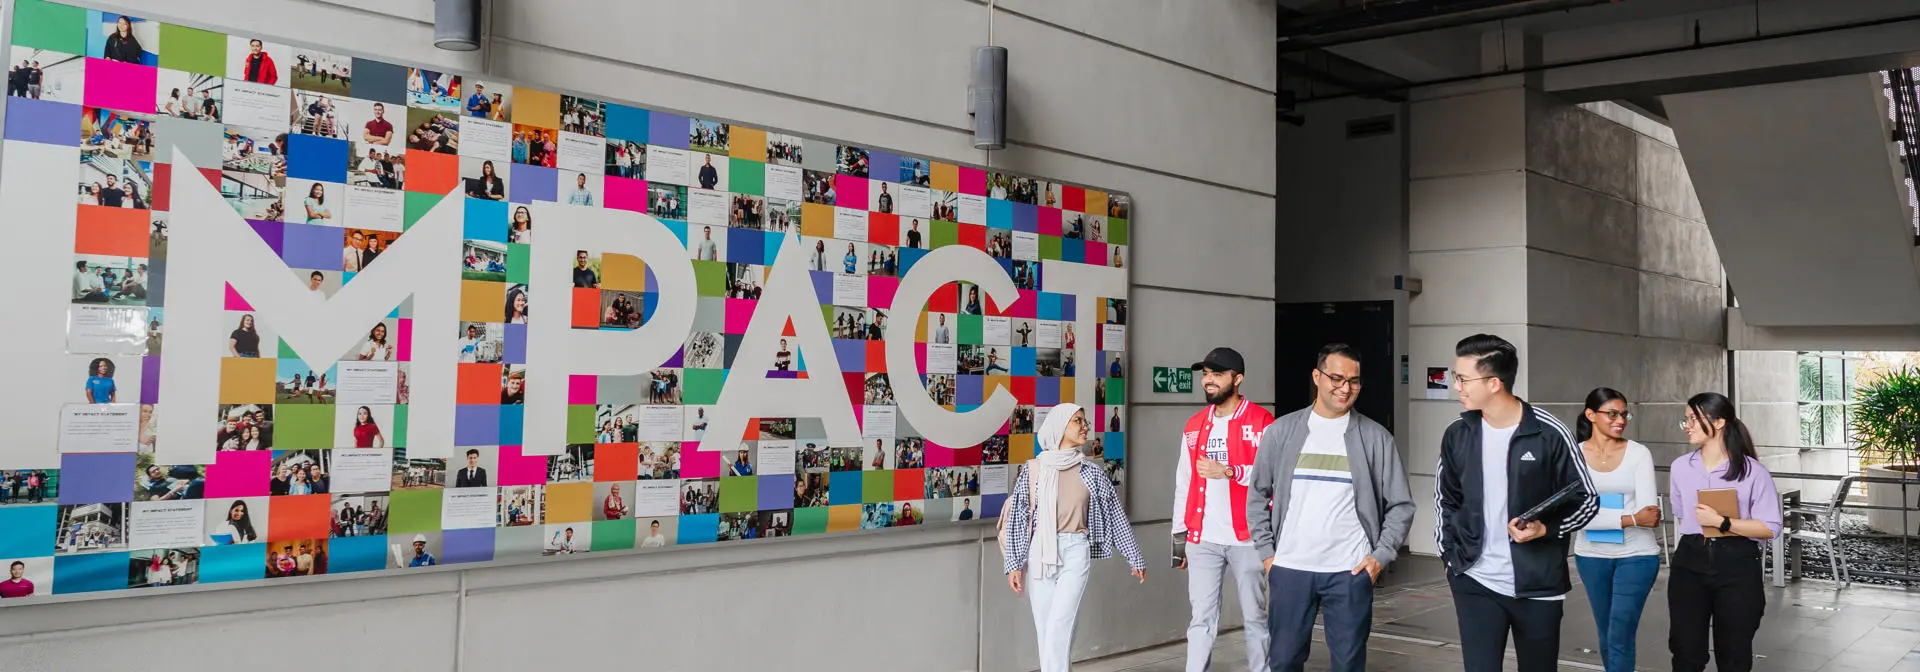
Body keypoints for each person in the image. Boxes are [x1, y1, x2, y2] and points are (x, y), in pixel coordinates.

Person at [1435, 334, 1597, 672]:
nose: (1457, 387)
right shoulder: (1457, 433)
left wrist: (1545, 529)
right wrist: (1451, 561)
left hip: (1538, 586)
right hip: (1475, 580)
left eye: (1463, 379)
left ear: (1494, 382)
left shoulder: (1549, 432)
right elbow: (1446, 500)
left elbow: (1587, 500)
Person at [1248, 344, 1414, 672]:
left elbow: (1401, 504)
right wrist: (1269, 556)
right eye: (1336, 378)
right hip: (1291, 568)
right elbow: (1256, 496)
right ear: (1317, 376)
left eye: (1354, 381)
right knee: (1283, 661)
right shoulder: (1282, 432)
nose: (1345, 388)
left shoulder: (1375, 438)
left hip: (1350, 571)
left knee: (1349, 664)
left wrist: (1379, 558)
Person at [1001, 403, 1145, 672]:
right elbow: (1020, 520)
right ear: (1059, 427)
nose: (1085, 426)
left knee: (1060, 623)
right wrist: (1014, 563)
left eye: (1085, 420)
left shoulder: (1091, 471)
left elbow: (1114, 512)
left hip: (1075, 549)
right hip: (1040, 551)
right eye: (1077, 421)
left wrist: (1133, 556)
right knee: (1046, 626)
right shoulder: (1034, 470)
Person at [1169, 347, 1278, 672]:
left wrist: (1230, 471)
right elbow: (1184, 483)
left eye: (1217, 374)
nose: (1208, 381)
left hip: (1248, 539)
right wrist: (1179, 541)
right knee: (1200, 619)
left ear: (1237, 378)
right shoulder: (1194, 425)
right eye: (1205, 374)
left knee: (1255, 617)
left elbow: (1273, 478)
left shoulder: (1261, 422)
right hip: (1202, 540)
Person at [1669, 392, 1780, 672]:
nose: (1688, 426)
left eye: (1694, 418)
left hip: (1737, 562)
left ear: (1719, 422)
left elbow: (1770, 527)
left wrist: (1724, 522)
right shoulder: (1680, 467)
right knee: (1685, 650)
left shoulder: (1753, 471)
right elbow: (1682, 513)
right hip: (1689, 559)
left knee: (1733, 653)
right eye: (1686, 420)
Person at [1567, 387, 1662, 672]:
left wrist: (1594, 508)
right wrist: (1629, 517)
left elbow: (1650, 514)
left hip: (1637, 556)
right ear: (1590, 415)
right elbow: (1573, 515)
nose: (1620, 419)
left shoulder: (1638, 454)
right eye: (1612, 413)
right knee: (1606, 633)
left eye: (1624, 414)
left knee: (1620, 632)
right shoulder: (1574, 454)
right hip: (1591, 556)